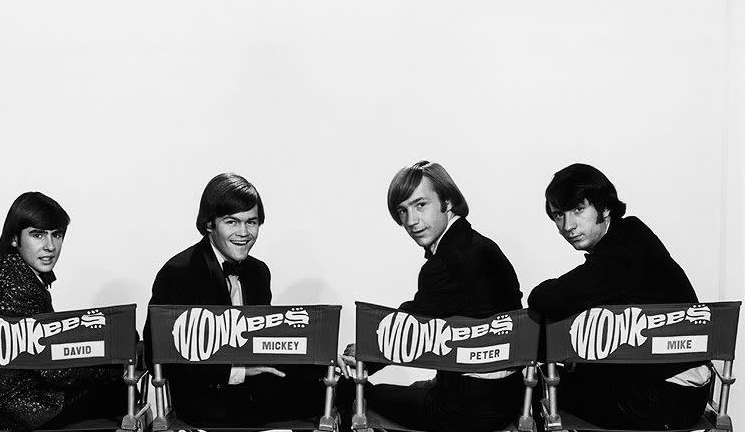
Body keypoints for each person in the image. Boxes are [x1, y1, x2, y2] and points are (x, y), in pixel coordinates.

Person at [340, 161, 524, 432]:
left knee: (352, 395)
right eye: (403, 210)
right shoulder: (481, 245)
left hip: (466, 408)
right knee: (411, 388)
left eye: (420, 205)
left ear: (447, 202)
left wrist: (362, 358)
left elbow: (409, 326)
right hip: (508, 395)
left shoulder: (449, 261)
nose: (411, 221)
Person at [528, 163, 710, 429]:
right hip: (660, 385)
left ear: (604, 207)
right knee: (556, 367)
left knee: (541, 388)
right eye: (558, 215)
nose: (568, 225)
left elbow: (544, 299)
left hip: (663, 396)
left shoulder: (623, 250)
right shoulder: (629, 239)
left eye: (578, 209)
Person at [144, 172, 325, 426]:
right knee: (329, 396)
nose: (244, 232)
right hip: (205, 400)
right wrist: (238, 372)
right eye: (232, 222)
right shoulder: (179, 272)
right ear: (210, 224)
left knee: (337, 385)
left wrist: (323, 357)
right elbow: (156, 354)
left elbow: (265, 339)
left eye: (251, 222)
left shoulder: (259, 272)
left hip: (255, 389)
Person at [0, 192, 124, 431]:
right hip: (23, 408)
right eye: (37, 235)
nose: (50, 246)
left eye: (57, 235)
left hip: (3, 402)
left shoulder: (12, 272)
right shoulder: (18, 286)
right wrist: (109, 368)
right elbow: (54, 371)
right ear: (14, 238)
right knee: (122, 388)